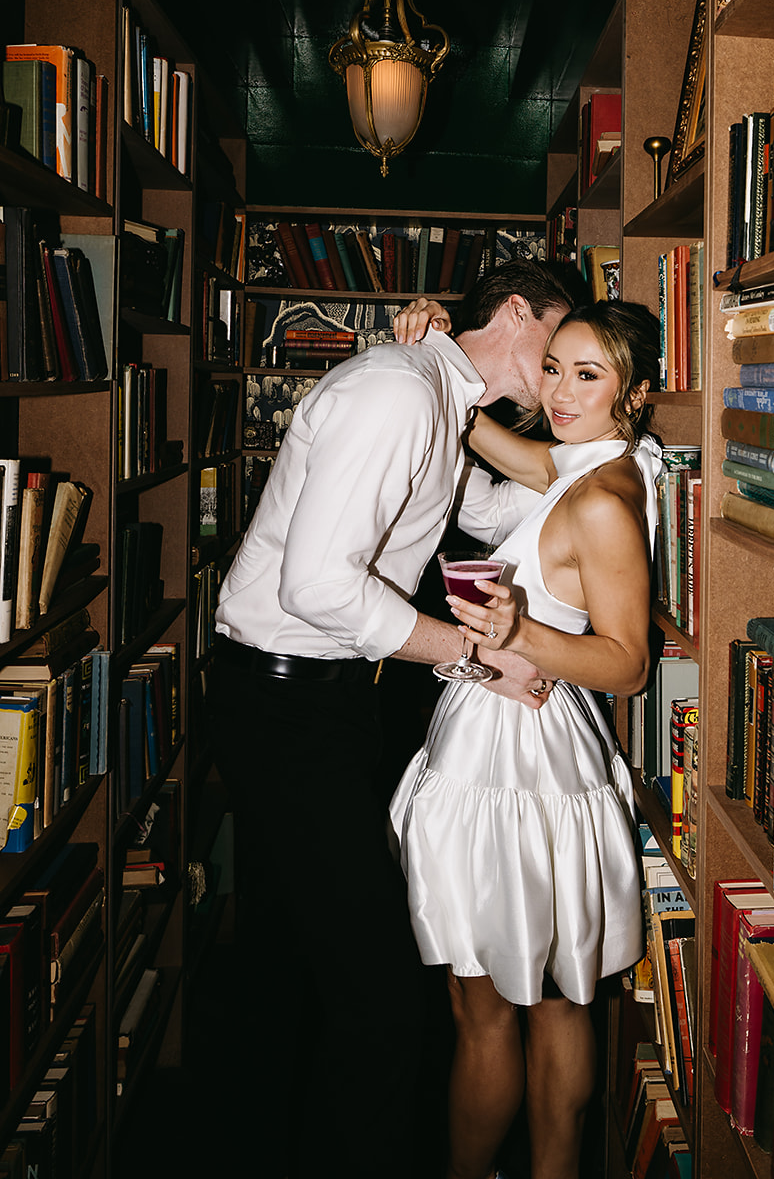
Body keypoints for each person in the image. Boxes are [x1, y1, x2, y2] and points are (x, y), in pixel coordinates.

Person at [206, 259, 577, 1179]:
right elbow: (319, 584)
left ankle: (256, 1147)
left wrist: (609, 461)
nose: (570, 359)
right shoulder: (398, 393)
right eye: (564, 340)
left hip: (309, 699)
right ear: (520, 312)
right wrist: (469, 652)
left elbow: (484, 511)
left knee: (292, 963)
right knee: (376, 995)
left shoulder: (440, 402)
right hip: (287, 698)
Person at [389, 295, 663, 1179]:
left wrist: (513, 632)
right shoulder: (593, 465)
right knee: (555, 996)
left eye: (588, 375)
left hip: (513, 754)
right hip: (542, 749)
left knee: (487, 1011)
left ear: (637, 393)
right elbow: (483, 437)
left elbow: (627, 665)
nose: (558, 389)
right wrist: (436, 351)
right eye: (553, 367)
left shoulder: (601, 502)